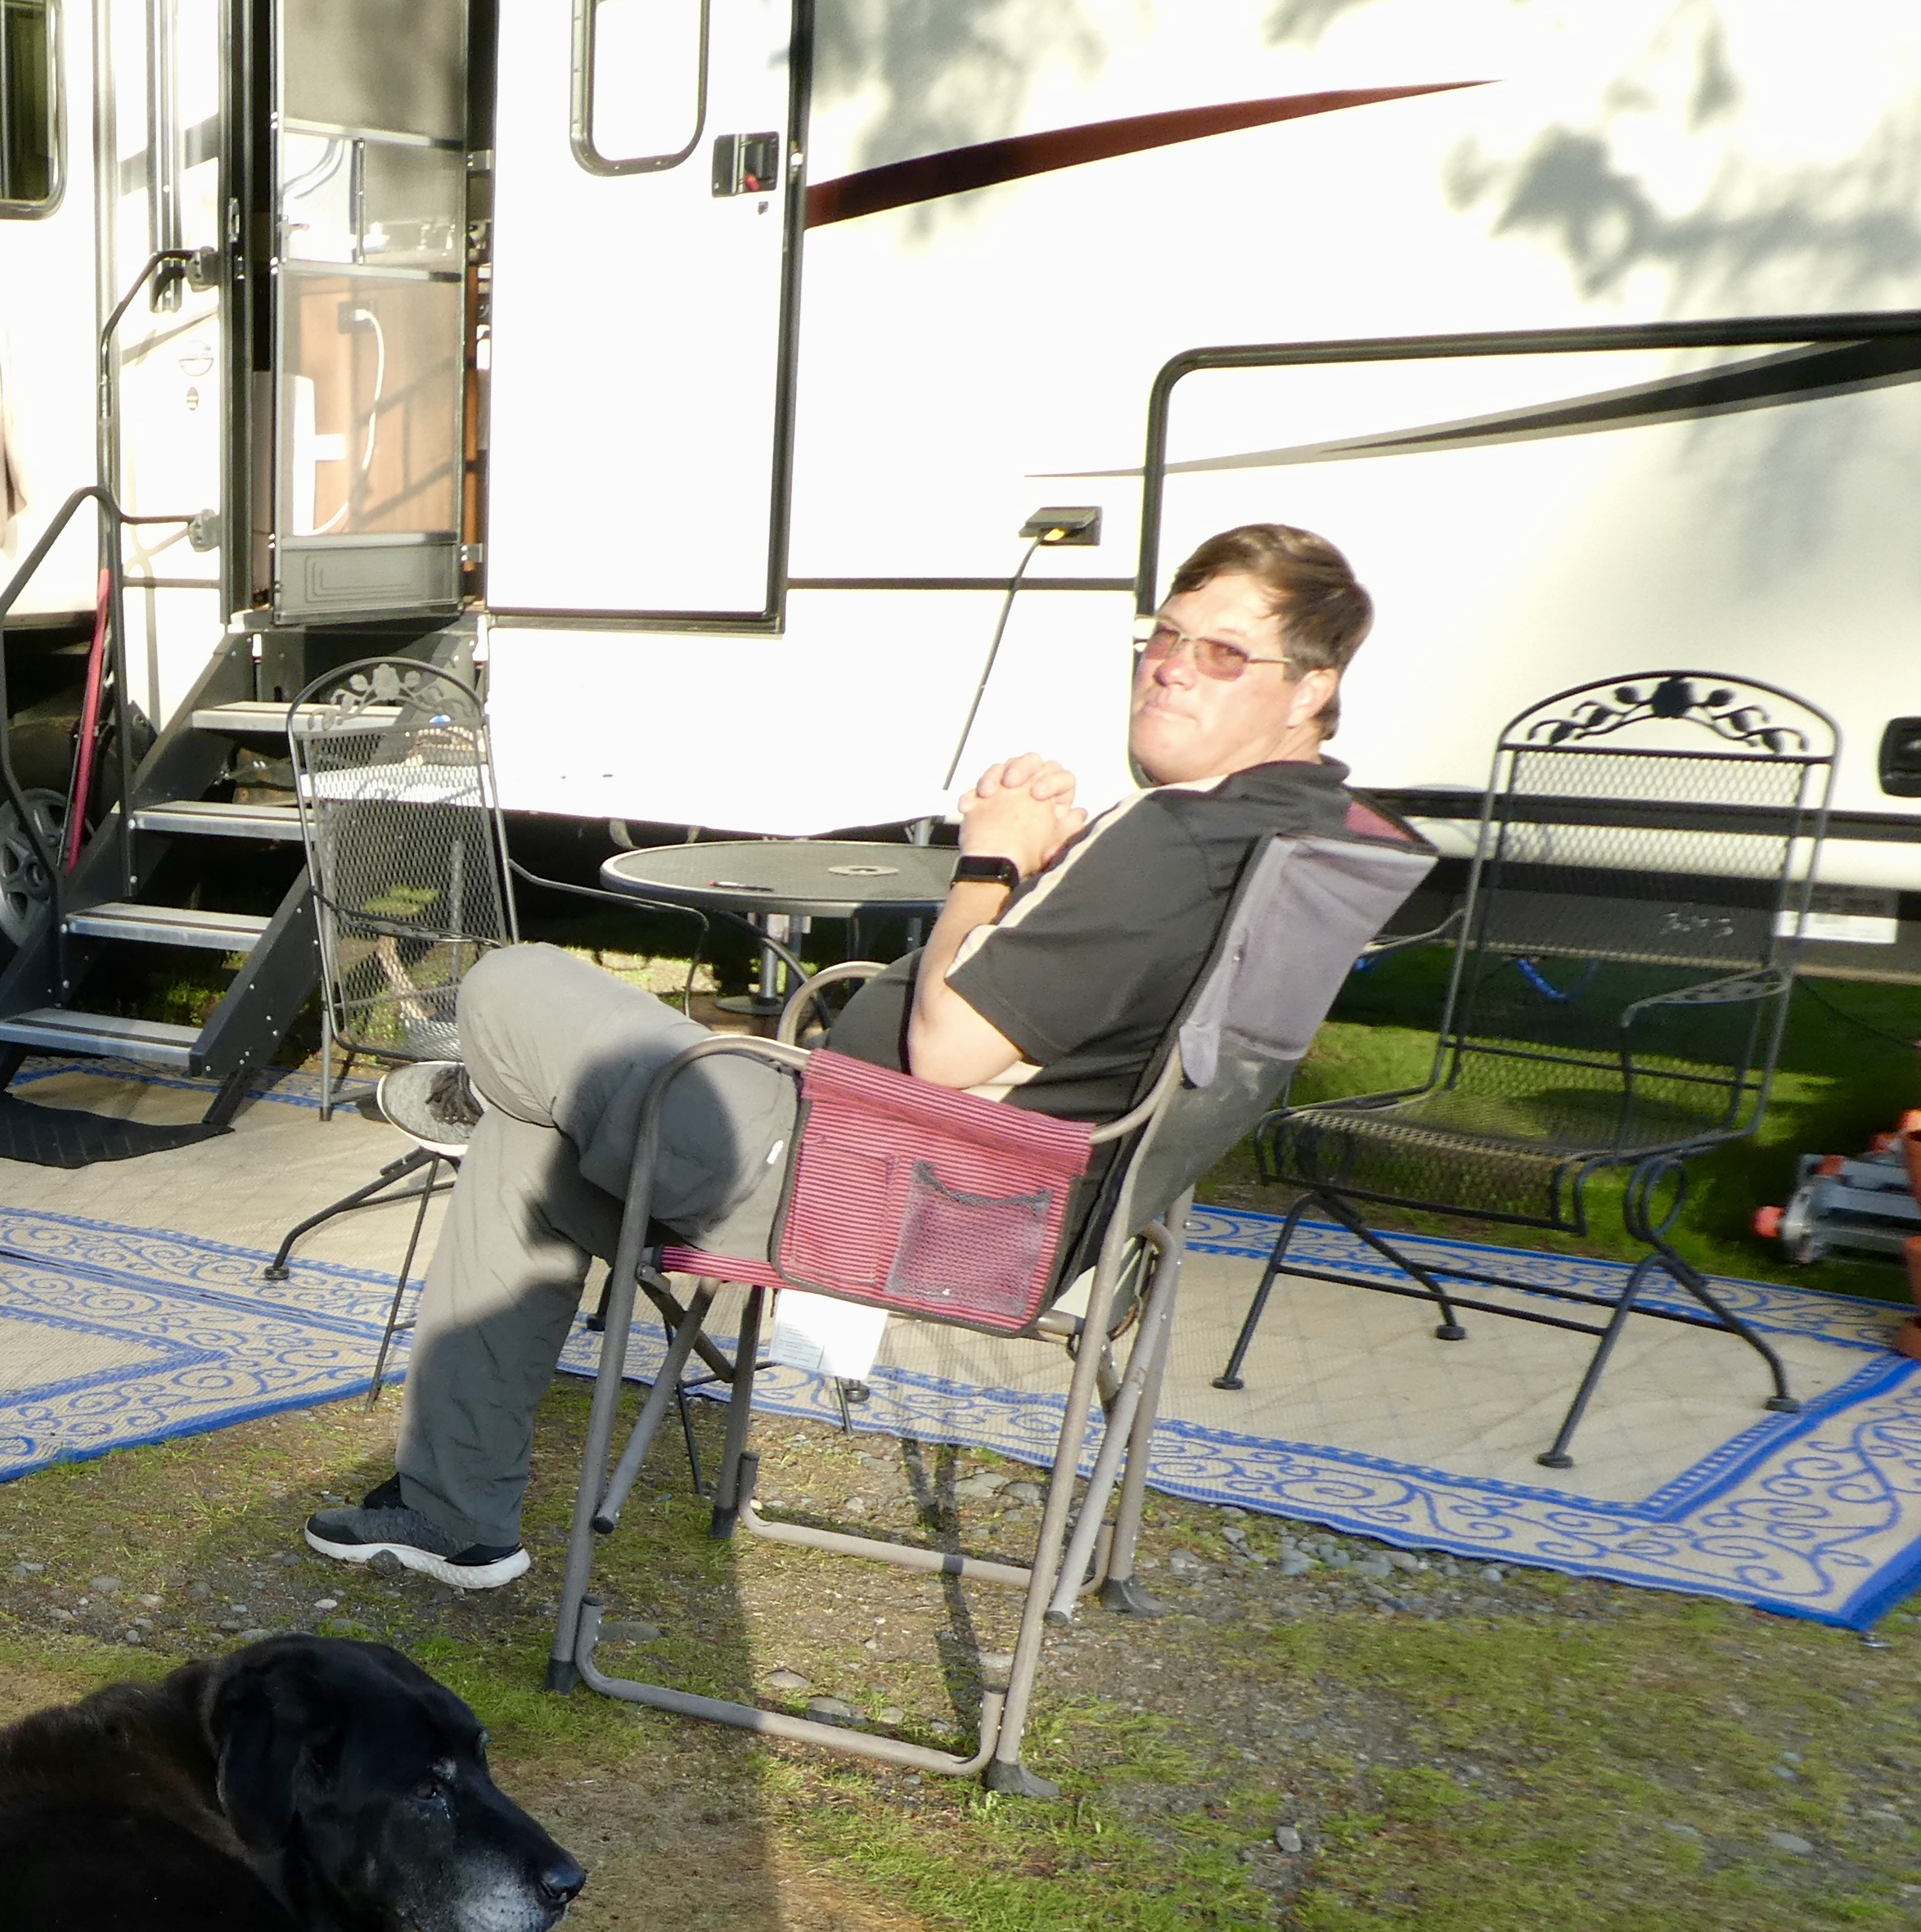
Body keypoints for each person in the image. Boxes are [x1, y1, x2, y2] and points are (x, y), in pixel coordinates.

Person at [307, 520, 1380, 1587]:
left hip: (858, 1188)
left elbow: (950, 1049)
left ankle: (485, 1098)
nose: (1173, 669)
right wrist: (1057, 872)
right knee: (531, 1143)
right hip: (974, 1202)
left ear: (1308, 689)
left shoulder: (1178, 840)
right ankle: (451, 1516)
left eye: (1223, 654)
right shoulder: (1302, 830)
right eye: (1167, 637)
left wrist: (995, 863)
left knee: (510, 984)